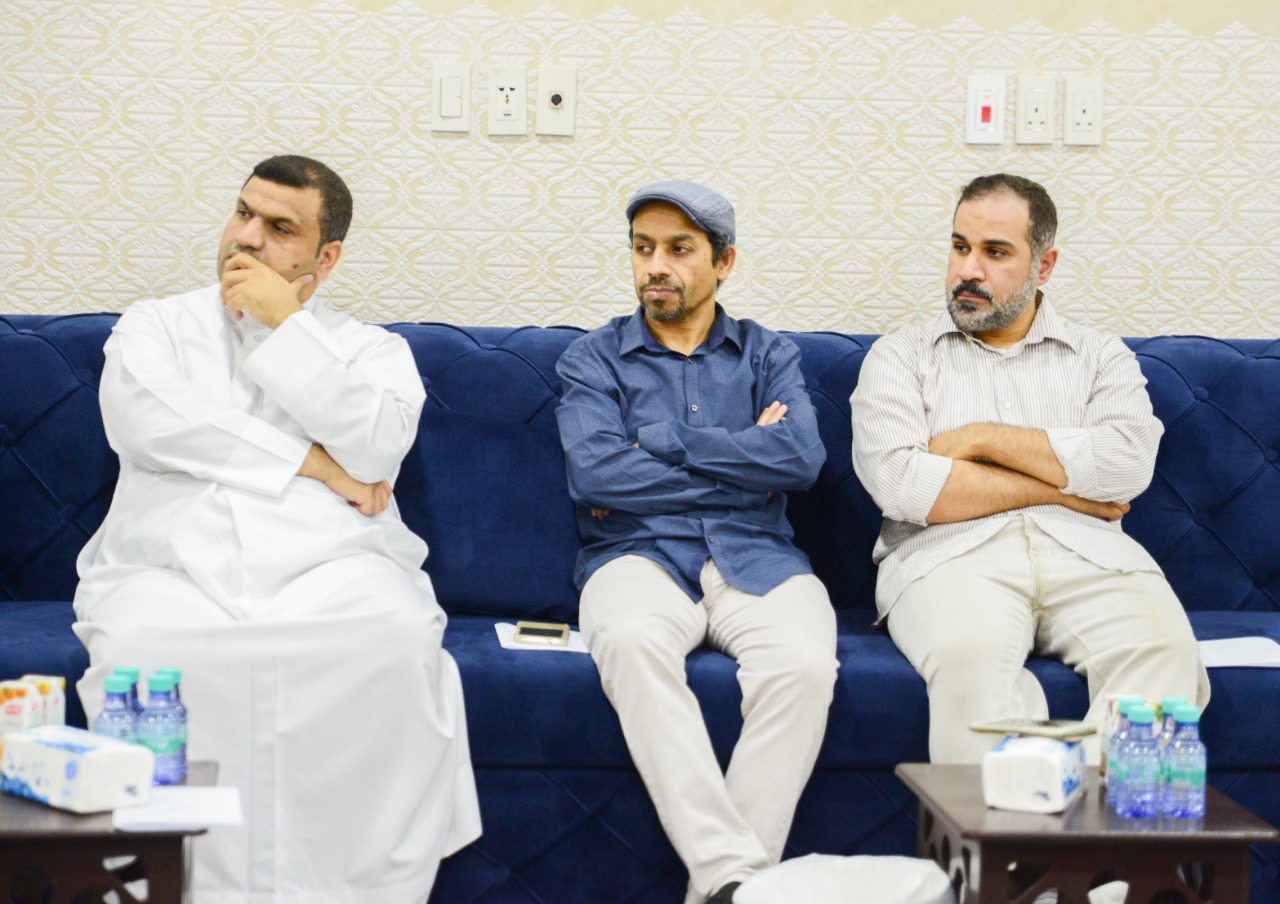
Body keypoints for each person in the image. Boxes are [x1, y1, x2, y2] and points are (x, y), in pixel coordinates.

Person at [73, 155, 481, 903]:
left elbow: (376, 449)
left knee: (394, 644)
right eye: (243, 213)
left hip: (335, 566)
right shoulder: (157, 324)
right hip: (170, 564)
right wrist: (317, 465)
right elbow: (148, 424)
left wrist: (285, 325)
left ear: (325, 259)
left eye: (280, 228)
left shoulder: (370, 351)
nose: (248, 238)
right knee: (144, 652)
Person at [850, 173, 1210, 765]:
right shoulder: (900, 356)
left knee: (1167, 653)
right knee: (967, 659)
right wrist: (1067, 492)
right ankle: (1010, 824)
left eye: (995, 253)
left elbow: (1126, 465)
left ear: (1044, 265)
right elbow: (903, 486)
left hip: (1091, 555)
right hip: (948, 557)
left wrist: (981, 438)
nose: (968, 270)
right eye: (960, 246)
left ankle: (1083, 816)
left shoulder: (1101, 356)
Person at [555, 180, 839, 904]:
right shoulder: (592, 360)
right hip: (636, 555)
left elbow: (800, 460)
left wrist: (666, 441)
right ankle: (731, 877)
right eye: (643, 248)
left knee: (805, 664)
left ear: (724, 261)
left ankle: (723, 887)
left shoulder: (768, 354)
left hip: (759, 557)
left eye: (680, 249)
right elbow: (595, 474)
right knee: (629, 642)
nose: (657, 266)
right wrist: (744, 465)